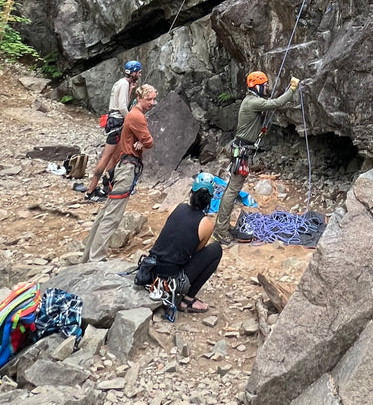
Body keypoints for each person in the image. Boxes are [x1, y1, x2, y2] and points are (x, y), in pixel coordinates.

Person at [214, 71, 299, 244]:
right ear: (257, 85)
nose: (267, 87)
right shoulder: (253, 101)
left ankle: (222, 228)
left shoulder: (251, 101)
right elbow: (276, 103)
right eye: (265, 85)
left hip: (243, 149)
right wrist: (292, 88)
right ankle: (221, 231)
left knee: (232, 189)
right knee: (232, 191)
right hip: (242, 151)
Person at [81, 83, 157, 263]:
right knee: (112, 217)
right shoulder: (137, 117)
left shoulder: (132, 114)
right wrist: (144, 142)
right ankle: (96, 259)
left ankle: (88, 256)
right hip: (127, 169)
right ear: (139, 98)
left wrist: (142, 142)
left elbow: (143, 141)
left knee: (106, 212)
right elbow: (149, 141)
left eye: (154, 98)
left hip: (124, 166)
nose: (153, 102)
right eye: (149, 99)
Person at [147, 172, 223, 313]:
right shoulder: (206, 225)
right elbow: (196, 251)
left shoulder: (175, 208)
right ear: (210, 199)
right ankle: (187, 300)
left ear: (192, 192)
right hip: (172, 281)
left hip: (151, 270)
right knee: (216, 249)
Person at [78, 59, 142, 201]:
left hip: (113, 121)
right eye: (138, 72)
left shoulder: (121, 83)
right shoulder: (124, 84)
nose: (140, 74)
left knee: (114, 157)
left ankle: (106, 187)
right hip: (117, 122)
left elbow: (120, 101)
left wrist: (131, 90)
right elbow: (122, 107)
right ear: (133, 72)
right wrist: (130, 120)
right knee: (106, 158)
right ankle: (90, 192)